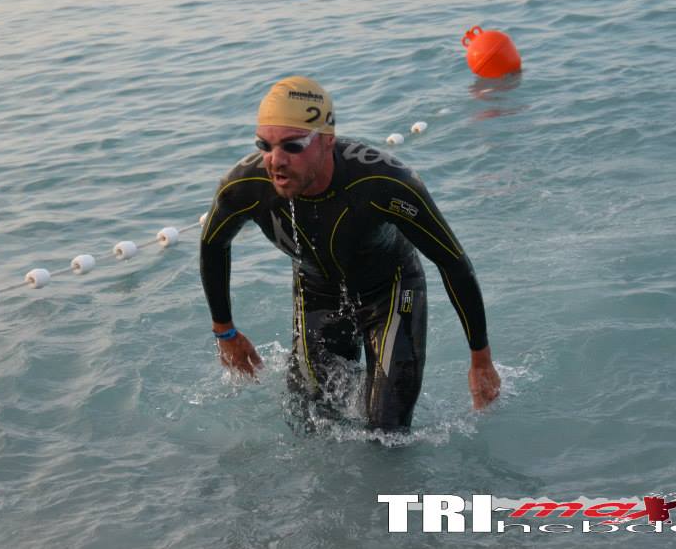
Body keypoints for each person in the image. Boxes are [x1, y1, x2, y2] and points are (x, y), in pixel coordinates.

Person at [199, 76, 500, 429]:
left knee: (387, 431)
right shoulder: (244, 186)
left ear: (328, 141)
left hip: (391, 293)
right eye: (264, 145)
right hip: (316, 294)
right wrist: (226, 333)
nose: (274, 161)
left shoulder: (381, 183)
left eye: (292, 146)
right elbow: (213, 244)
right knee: (310, 420)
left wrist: (480, 358)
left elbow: (452, 262)